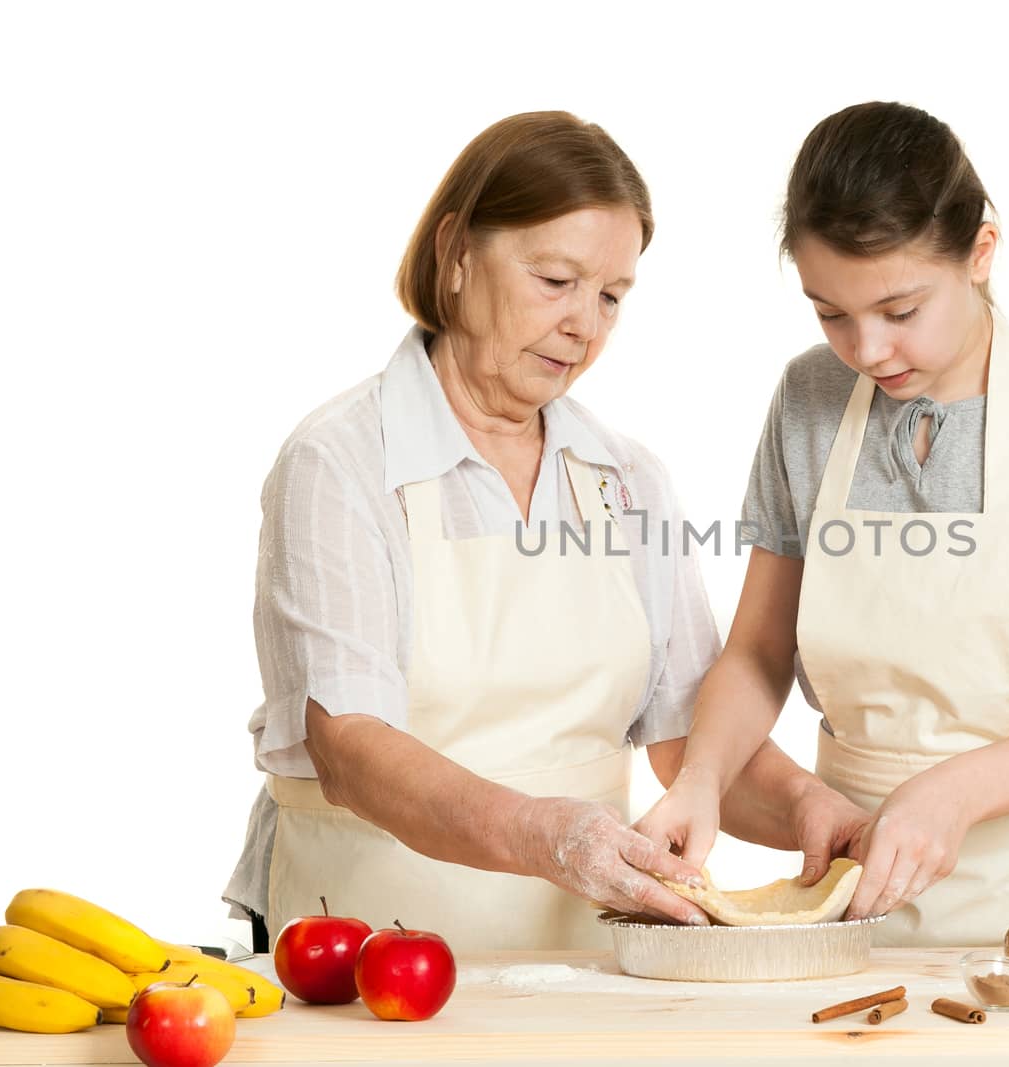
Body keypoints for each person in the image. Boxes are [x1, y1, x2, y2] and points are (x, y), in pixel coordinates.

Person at [221, 112, 854, 953]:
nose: (584, 325)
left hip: (582, 954)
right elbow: (352, 750)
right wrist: (546, 836)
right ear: (454, 253)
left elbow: (685, 735)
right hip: (365, 950)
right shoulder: (339, 463)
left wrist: (805, 805)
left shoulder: (628, 479)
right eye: (556, 280)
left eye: (611, 298)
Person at [637, 102, 1009, 946]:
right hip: (857, 892)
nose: (866, 349)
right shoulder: (809, 399)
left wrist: (954, 792)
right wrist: (704, 779)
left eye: (900, 311)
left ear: (980, 252)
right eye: (831, 312)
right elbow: (757, 650)